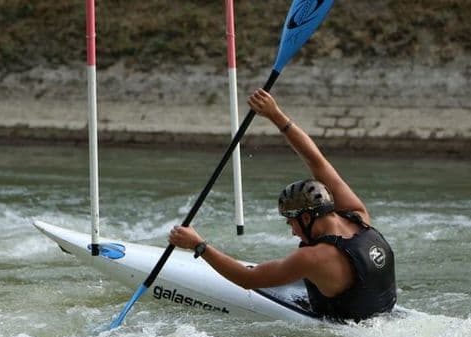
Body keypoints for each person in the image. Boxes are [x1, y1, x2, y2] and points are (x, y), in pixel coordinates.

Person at [168, 89, 396, 322]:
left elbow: (249, 279)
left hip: (349, 332)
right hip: (384, 318)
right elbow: (317, 161)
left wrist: (199, 245)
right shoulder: (358, 216)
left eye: (291, 222)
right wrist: (275, 115)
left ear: (306, 218)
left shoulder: (313, 258)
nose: (292, 231)